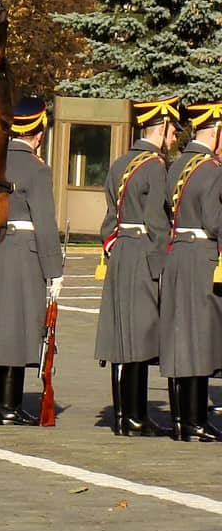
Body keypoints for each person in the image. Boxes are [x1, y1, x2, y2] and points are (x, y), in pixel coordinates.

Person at [0, 95, 63, 425]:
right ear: (39, 132)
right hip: (24, 253)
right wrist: (54, 270)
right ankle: (8, 405)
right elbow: (45, 223)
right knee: (19, 330)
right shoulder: (37, 170)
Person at [94, 98, 175, 436]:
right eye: (172, 133)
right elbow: (157, 220)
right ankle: (136, 416)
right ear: (164, 129)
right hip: (143, 252)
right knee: (140, 336)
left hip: (121, 249)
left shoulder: (120, 162)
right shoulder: (155, 166)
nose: (173, 140)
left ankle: (123, 416)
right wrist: (161, 269)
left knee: (121, 336)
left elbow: (109, 217)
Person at [158, 100, 222, 442]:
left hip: (177, 253)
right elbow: (215, 220)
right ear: (216, 133)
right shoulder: (212, 170)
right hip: (201, 256)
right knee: (199, 338)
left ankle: (182, 420)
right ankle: (196, 422)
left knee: (180, 335)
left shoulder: (177, 164)